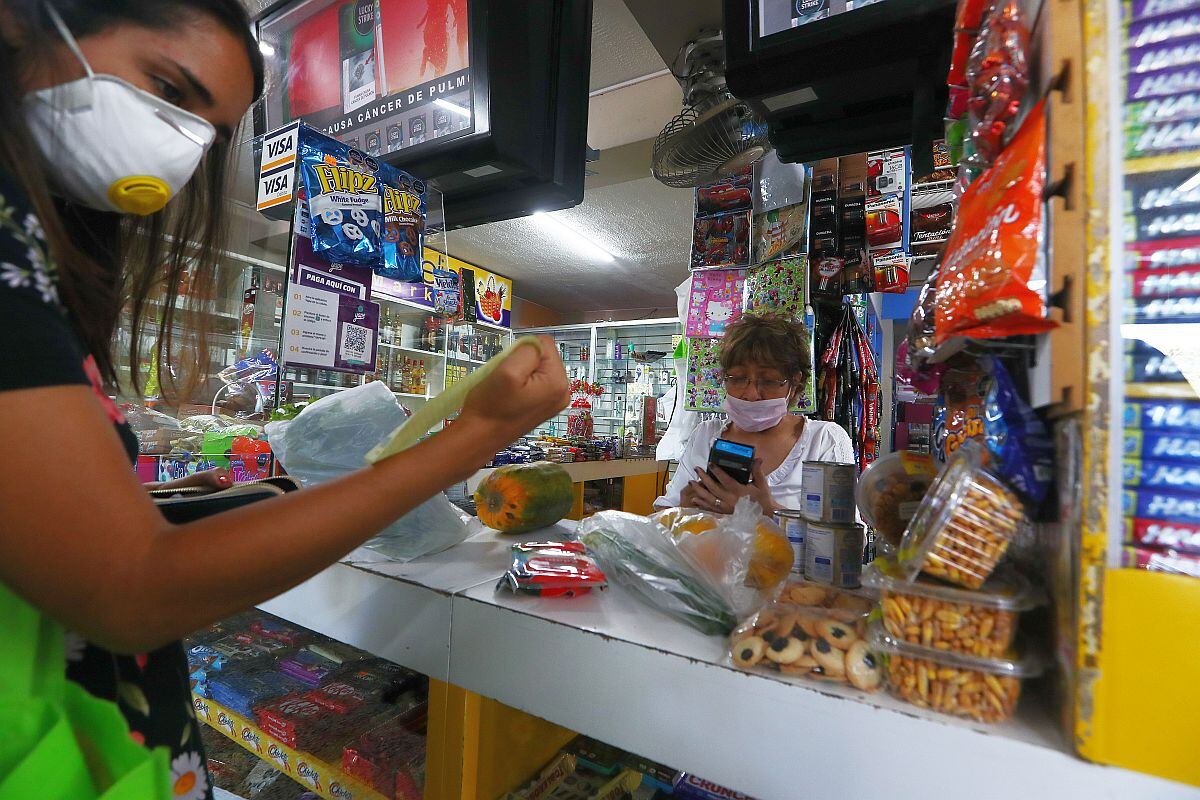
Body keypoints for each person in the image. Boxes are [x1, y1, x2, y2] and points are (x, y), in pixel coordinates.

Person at [0, 2, 568, 797]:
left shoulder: (33, 249)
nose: (179, 146)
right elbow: (130, 590)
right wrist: (467, 440)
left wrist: (173, 502)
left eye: (211, 131)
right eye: (166, 85)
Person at [656, 313, 854, 515]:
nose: (751, 394)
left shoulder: (824, 440)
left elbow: (847, 540)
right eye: (738, 378)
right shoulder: (705, 434)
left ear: (795, 383)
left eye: (768, 381)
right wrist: (682, 511)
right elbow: (662, 517)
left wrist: (766, 512)